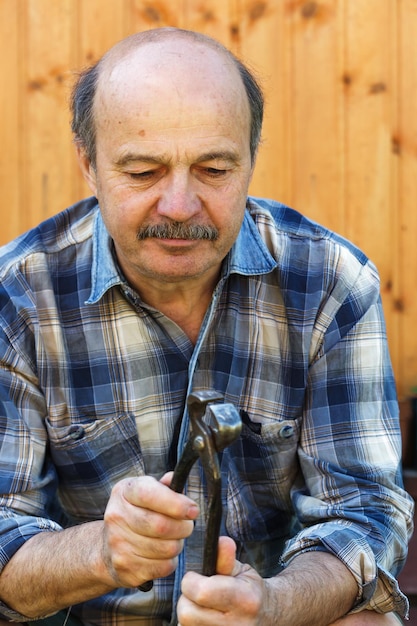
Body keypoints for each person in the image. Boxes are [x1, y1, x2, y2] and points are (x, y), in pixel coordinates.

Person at [0, 27, 413, 626]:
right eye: (143, 171)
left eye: (214, 169)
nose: (179, 205)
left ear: (250, 159)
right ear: (89, 165)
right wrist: (103, 552)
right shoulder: (17, 299)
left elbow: (364, 512)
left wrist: (273, 604)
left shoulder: (329, 282)